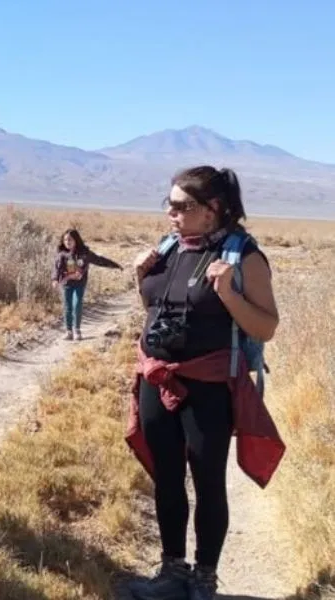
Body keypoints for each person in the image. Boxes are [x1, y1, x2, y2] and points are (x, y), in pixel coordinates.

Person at [125, 166, 285, 600]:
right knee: (168, 477)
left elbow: (266, 326)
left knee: (208, 479)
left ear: (212, 210)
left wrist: (229, 293)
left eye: (182, 206)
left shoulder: (243, 256)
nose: (171, 214)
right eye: (169, 205)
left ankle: (204, 580)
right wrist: (142, 279)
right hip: (157, 378)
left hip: (208, 386)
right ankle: (171, 572)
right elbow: (155, 307)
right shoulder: (170, 247)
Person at [50, 228, 123, 340]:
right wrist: (54, 279)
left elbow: (99, 261)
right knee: (67, 307)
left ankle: (77, 330)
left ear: (76, 240)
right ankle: (69, 331)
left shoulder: (84, 253)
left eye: (70, 240)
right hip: (67, 285)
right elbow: (56, 268)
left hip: (79, 284)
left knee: (77, 304)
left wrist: (115, 265)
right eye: (65, 240)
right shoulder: (62, 254)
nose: (67, 242)